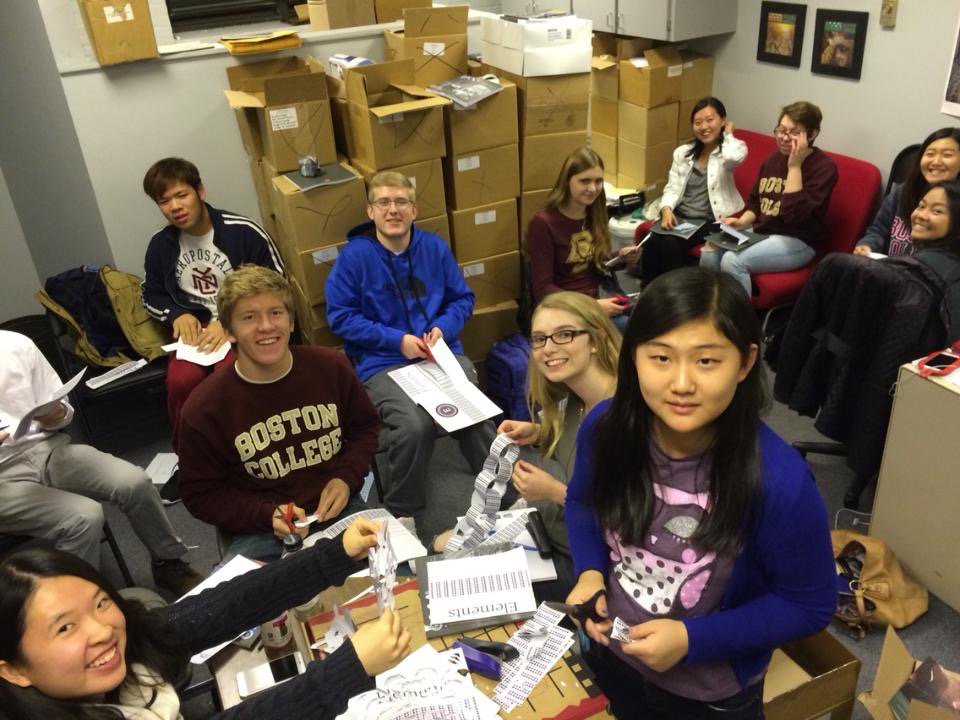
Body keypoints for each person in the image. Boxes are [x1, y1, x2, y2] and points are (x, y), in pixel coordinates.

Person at [564, 267, 836, 719]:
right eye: (661, 358)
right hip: (615, 655)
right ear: (633, 356)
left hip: (708, 694)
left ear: (746, 363)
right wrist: (591, 572)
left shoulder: (778, 482)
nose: (682, 383)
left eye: (707, 360)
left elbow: (808, 603)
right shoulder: (606, 428)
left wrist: (693, 641)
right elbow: (582, 500)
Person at [0, 518, 412, 720]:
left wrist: (333, 555)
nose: (103, 630)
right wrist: (343, 673)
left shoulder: (118, 652)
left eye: (101, 602)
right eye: (65, 627)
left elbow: (226, 606)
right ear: (13, 669)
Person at [324, 171, 494, 536]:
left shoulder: (434, 248)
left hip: (438, 355)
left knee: (474, 415)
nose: (393, 209)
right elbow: (340, 317)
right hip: (382, 361)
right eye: (383, 202)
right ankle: (403, 513)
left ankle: (503, 497)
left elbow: (462, 299)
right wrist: (395, 340)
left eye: (401, 201)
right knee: (413, 427)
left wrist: (443, 329)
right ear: (371, 211)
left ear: (414, 209)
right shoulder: (354, 258)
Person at [177, 265, 379, 562]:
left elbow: (365, 429)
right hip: (260, 530)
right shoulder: (205, 408)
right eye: (249, 317)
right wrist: (263, 514)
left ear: (291, 321)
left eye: (276, 313)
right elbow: (199, 494)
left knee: (395, 584)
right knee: (245, 605)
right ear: (229, 331)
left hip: (338, 510)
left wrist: (345, 478)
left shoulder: (331, 368)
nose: (266, 326)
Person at [0, 331, 202, 596]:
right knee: (83, 517)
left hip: (46, 449)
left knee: (134, 482)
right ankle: (75, 604)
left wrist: (55, 414)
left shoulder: (16, 344)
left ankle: (168, 563)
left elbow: (63, 412)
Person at [141, 158, 285, 501]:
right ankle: (192, 464)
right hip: (196, 337)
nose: (175, 207)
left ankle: (249, 463)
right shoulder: (161, 246)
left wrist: (231, 321)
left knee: (228, 381)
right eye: (164, 201)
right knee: (181, 382)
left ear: (200, 191)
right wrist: (175, 313)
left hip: (243, 330)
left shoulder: (242, 232)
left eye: (181, 195)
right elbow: (150, 293)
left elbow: (277, 284)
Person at [497, 291, 620, 601]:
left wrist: (552, 490)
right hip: (559, 533)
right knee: (450, 551)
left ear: (596, 338)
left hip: (599, 565)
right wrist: (539, 433)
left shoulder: (622, 417)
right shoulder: (576, 399)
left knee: (479, 581)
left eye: (564, 335)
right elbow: (577, 444)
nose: (548, 349)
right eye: (539, 339)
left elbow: (627, 519)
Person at [700, 101, 838, 295]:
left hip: (798, 240)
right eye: (781, 130)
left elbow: (794, 216)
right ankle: (707, 310)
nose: (784, 137)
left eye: (793, 132)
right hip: (762, 232)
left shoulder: (824, 168)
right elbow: (756, 202)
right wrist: (741, 221)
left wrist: (794, 167)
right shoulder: (773, 159)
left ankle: (740, 323)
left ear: (812, 134)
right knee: (711, 247)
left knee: (732, 260)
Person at [642, 97, 747, 284]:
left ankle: (675, 298)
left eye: (710, 120)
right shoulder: (683, 152)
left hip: (711, 219)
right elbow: (673, 186)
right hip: (682, 215)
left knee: (670, 245)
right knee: (652, 242)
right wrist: (666, 209)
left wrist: (728, 133)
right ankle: (647, 294)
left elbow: (734, 157)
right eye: (698, 122)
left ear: (722, 120)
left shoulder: (730, 150)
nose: (704, 127)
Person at [526, 147, 634, 331]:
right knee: (629, 328)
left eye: (598, 181)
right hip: (567, 307)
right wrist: (591, 306)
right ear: (567, 181)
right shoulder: (543, 223)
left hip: (600, 296)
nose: (593, 188)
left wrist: (621, 258)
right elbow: (543, 290)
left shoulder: (595, 213)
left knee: (652, 315)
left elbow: (595, 263)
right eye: (585, 181)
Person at [854, 127, 960, 258]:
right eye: (930, 154)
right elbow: (878, 230)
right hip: (884, 270)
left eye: (947, 155)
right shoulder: (903, 191)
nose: (936, 162)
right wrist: (868, 245)